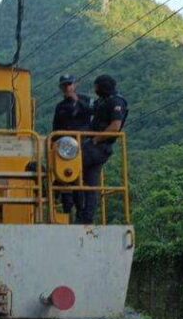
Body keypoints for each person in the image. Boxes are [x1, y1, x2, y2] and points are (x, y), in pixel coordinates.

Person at [77, 74, 127, 225]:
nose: (95, 89)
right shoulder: (102, 101)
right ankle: (85, 218)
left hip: (99, 147)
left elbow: (115, 127)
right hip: (95, 146)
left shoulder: (116, 101)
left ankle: (70, 205)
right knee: (91, 183)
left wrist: (94, 140)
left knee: (69, 168)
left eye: (97, 86)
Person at [51, 74, 92, 219]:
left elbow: (91, 116)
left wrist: (77, 101)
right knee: (64, 177)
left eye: (69, 84)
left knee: (80, 179)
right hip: (65, 148)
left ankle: (81, 211)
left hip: (83, 146)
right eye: (64, 85)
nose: (67, 87)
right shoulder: (60, 107)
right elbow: (55, 129)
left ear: (75, 85)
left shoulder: (86, 101)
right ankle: (67, 210)